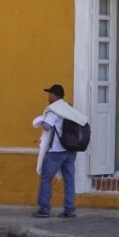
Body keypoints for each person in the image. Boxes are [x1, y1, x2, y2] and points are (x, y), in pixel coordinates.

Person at [33, 83, 88, 219]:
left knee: (46, 178)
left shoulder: (54, 110)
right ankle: (69, 209)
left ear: (54, 96)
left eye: (49, 94)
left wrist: (41, 120)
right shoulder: (68, 108)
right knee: (69, 180)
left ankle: (44, 209)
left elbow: (47, 126)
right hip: (71, 150)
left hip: (56, 151)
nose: (48, 97)